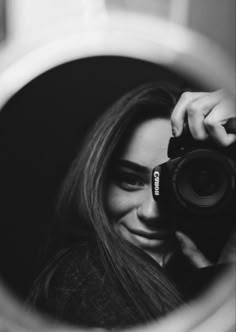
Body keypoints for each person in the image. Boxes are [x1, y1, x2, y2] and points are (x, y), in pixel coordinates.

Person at [27, 83, 236, 329]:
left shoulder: (207, 280)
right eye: (130, 180)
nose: (150, 212)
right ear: (97, 182)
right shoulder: (85, 275)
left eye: (174, 185)